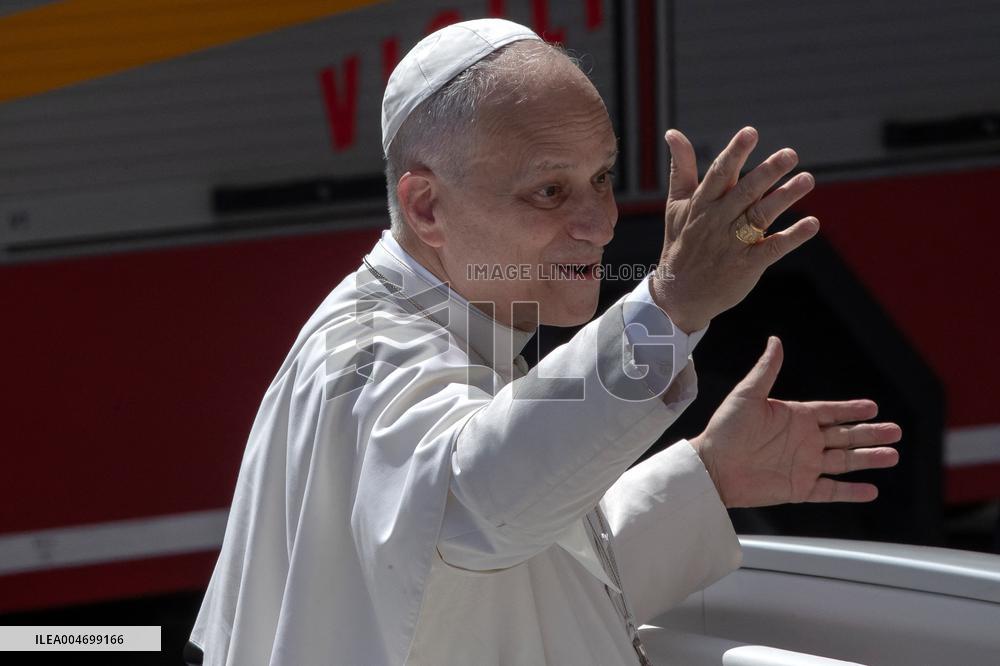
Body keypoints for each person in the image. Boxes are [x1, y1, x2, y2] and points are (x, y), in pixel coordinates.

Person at [186, 18, 902, 666]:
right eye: (550, 192)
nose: (601, 223)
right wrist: (670, 310)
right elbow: (480, 504)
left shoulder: (449, 325)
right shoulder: (370, 356)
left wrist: (707, 479)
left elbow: (519, 573)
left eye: (601, 177)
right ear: (427, 206)